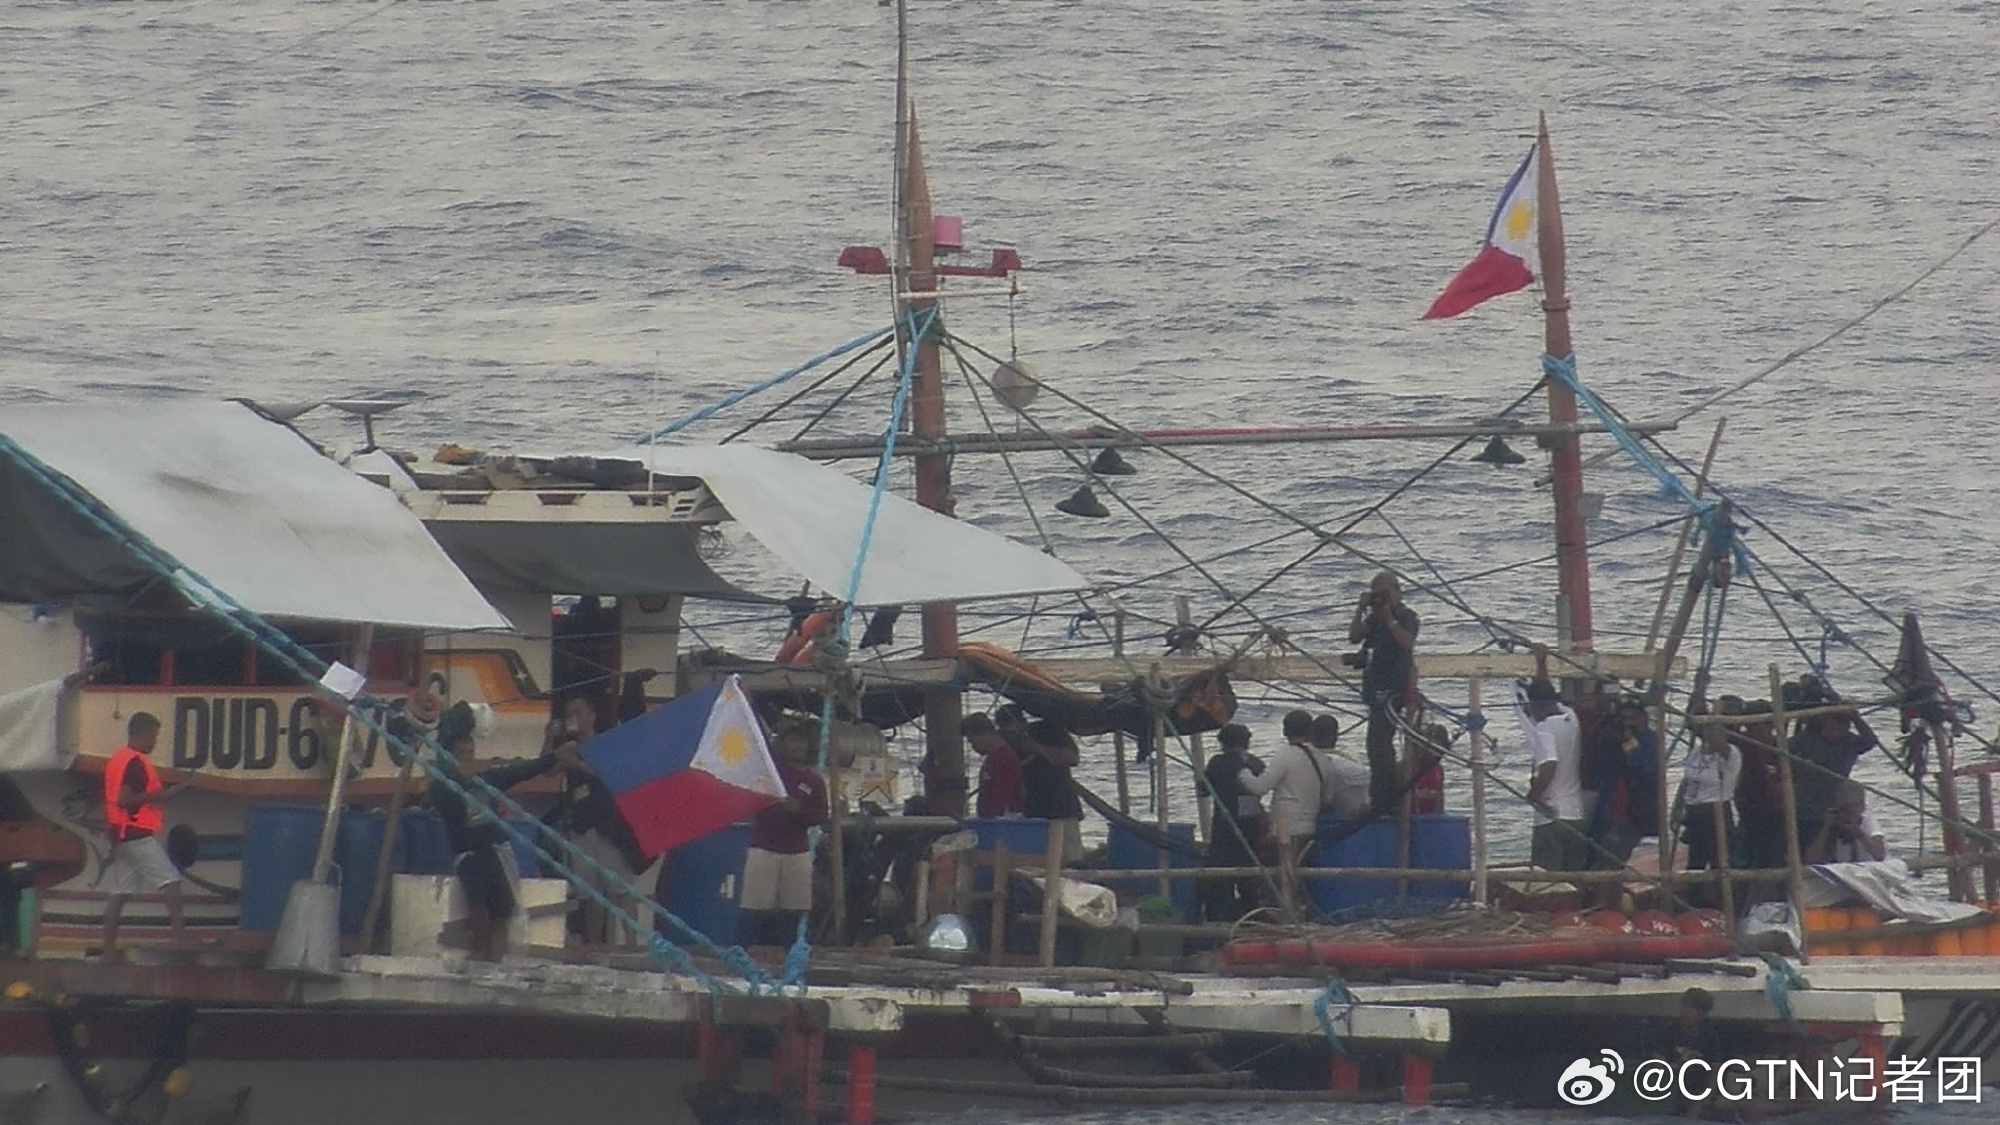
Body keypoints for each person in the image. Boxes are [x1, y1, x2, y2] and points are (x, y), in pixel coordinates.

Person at [431, 701, 570, 961]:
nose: (467, 758)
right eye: (460, 753)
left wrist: (555, 756)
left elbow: (521, 772)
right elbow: (443, 802)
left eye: (470, 753)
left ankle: (496, 960)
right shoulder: (443, 786)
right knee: (478, 908)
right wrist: (461, 778)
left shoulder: (488, 779)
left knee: (502, 911)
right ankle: (481, 953)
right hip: (469, 854)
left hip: (495, 850)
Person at [546, 696, 647, 947]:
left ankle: (632, 943)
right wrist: (549, 738)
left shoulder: (605, 743)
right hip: (579, 827)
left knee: (620, 889)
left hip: (606, 827)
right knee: (588, 894)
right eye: (570, 714)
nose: (574, 719)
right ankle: (594, 945)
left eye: (578, 713)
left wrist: (578, 765)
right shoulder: (568, 748)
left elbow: (610, 773)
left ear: (591, 716)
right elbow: (547, 770)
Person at [100, 712, 182, 962]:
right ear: (141, 734)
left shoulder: (118, 759)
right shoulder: (135, 763)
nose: (155, 742)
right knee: (171, 881)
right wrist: (157, 796)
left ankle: (108, 951)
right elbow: (125, 800)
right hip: (136, 833)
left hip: (121, 835)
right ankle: (180, 940)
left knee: (120, 893)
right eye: (154, 736)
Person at [741, 726, 829, 947]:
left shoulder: (814, 782)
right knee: (754, 906)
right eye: (792, 741)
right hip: (763, 848)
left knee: (795, 908)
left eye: (801, 741)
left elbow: (819, 815)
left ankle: (791, 952)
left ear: (809, 746)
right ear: (783, 745)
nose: (797, 746)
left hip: (797, 852)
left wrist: (797, 810)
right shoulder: (769, 775)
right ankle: (748, 950)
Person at [1239, 711, 1325, 913]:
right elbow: (1327, 797)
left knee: (1281, 884)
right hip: (1310, 827)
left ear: (1285, 730)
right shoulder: (1322, 758)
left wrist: (1240, 771)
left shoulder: (1285, 755)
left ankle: (1282, 923)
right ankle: (1301, 919)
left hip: (1287, 829)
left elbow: (1260, 787)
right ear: (1310, 730)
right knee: (1299, 882)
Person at [1348, 571, 1419, 813]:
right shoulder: (1374, 618)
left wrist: (1389, 617)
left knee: (1381, 743)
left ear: (1398, 593)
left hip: (1396, 684)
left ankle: (1385, 799)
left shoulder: (1406, 616)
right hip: (1375, 682)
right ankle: (1382, 796)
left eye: (1386, 593)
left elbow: (1406, 642)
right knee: (1376, 745)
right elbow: (1354, 637)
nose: (1382, 599)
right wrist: (1360, 610)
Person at [1584, 696, 1660, 906]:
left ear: (1643, 719)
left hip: (1636, 812)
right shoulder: (1614, 740)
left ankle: (1605, 906)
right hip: (1610, 809)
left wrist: (1632, 747)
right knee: (1598, 854)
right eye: (1623, 719)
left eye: (1632, 718)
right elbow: (1597, 768)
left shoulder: (1650, 742)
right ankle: (1600, 903)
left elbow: (1647, 774)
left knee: (1612, 851)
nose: (1628, 723)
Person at [1520, 678, 1588, 877]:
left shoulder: (1544, 730)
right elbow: (1550, 696)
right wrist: (1541, 664)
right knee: (1573, 879)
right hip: (1575, 813)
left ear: (1534, 704)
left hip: (1551, 817)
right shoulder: (1571, 717)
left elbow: (1549, 765)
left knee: (1547, 879)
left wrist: (1534, 795)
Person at [1201, 723, 1266, 922]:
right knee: (1249, 880)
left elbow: (1203, 789)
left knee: (1221, 879)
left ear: (1223, 743)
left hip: (1225, 827)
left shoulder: (1218, 763)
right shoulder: (1256, 763)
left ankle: (1219, 922)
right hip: (1251, 827)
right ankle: (1252, 920)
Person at [1789, 708, 1877, 851]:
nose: (1837, 728)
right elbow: (1781, 749)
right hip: (1803, 807)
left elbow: (1870, 741)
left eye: (1843, 724)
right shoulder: (1807, 739)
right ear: (1824, 721)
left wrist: (1856, 718)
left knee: (1829, 851)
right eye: (1834, 722)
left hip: (1832, 808)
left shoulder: (1849, 742)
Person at [1679, 714, 1741, 908]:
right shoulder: (1697, 752)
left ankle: (1724, 907)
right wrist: (1677, 809)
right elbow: (1688, 782)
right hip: (1695, 812)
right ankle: (1694, 904)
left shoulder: (1729, 753)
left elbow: (1720, 744)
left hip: (1715, 811)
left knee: (1719, 862)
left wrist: (1715, 729)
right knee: (1695, 863)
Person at [1020, 719, 1084, 863]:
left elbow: (1072, 758)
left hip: (1061, 808)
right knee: (1040, 862)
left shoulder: (1050, 729)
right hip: (1033, 813)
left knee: (1071, 861)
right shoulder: (1014, 742)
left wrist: (1038, 749)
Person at [1804, 781, 1886, 864]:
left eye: (1854, 810)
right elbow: (1811, 859)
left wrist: (1859, 833)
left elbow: (1879, 855)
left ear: (1863, 807)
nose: (1849, 815)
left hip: (1868, 869)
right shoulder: (1833, 825)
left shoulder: (1868, 822)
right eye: (1845, 809)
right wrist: (1826, 828)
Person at [964, 713, 1024, 819]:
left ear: (983, 734)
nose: (973, 747)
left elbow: (1003, 796)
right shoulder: (992, 759)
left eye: (973, 741)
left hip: (1002, 823)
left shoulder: (1004, 759)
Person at [1313, 713, 1371, 817]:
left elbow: (1326, 803)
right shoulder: (1353, 762)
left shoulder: (1320, 763)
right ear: (1336, 737)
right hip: (1366, 813)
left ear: (1311, 736)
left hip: (1342, 818)